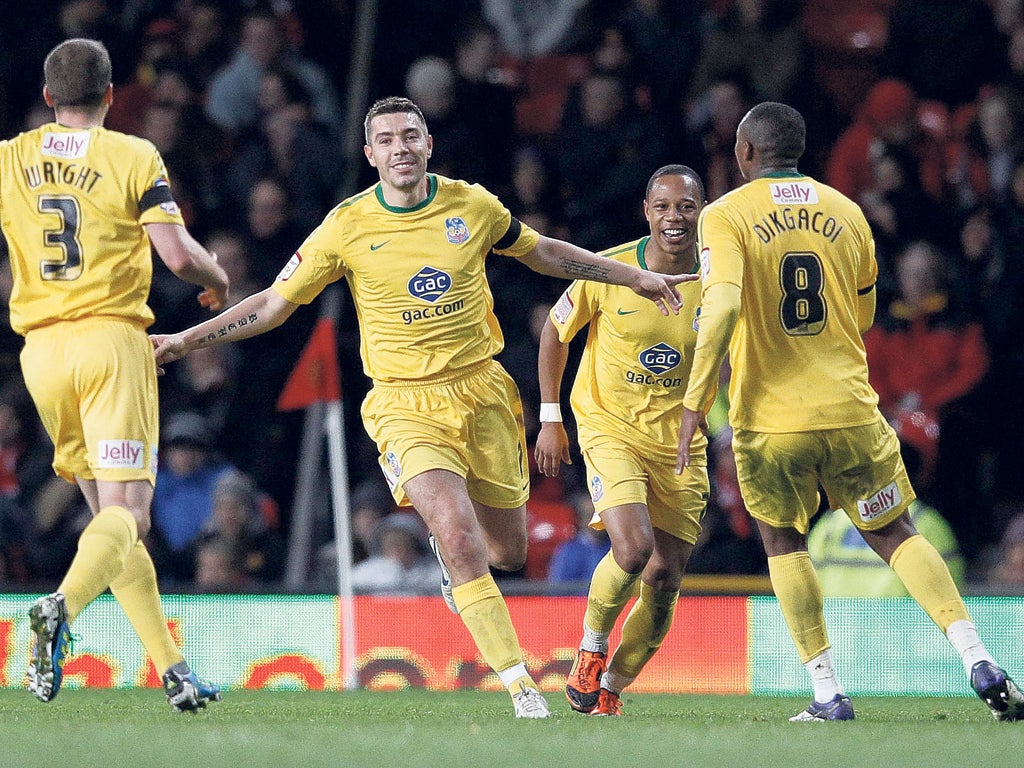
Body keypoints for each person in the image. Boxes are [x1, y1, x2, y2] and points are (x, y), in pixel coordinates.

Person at [150, 96, 695, 719]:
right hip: (404, 404)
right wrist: (186, 340)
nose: (400, 147)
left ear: (429, 144)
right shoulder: (346, 226)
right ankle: (520, 685)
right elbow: (273, 304)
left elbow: (543, 252)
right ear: (370, 154)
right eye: (386, 139)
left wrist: (631, 277)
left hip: (484, 393)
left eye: (410, 135)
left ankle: (461, 579)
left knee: (507, 553)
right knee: (458, 538)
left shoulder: (472, 205)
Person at [676, 101, 1024, 722]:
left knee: (783, 542)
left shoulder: (724, 215)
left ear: (745, 153)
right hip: (852, 410)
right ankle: (976, 655)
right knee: (895, 532)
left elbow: (723, 307)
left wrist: (696, 402)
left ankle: (828, 692)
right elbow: (863, 315)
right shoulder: (847, 211)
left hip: (770, 421)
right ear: (800, 152)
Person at [1, 39, 228, 711]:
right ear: (109, 95)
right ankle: (58, 611)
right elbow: (178, 255)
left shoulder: (11, 158)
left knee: (111, 518)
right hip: (110, 343)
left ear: (47, 98)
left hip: (41, 355)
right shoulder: (133, 154)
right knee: (130, 514)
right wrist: (217, 277)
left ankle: (173, 669)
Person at [535, 164, 709, 716]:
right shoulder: (609, 270)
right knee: (633, 550)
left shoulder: (724, 276)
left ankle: (611, 685)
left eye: (685, 206)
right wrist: (550, 416)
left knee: (664, 578)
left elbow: (743, 351)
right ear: (647, 212)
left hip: (681, 442)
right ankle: (588, 649)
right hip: (611, 427)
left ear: (701, 211)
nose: (674, 217)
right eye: (663, 206)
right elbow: (554, 334)